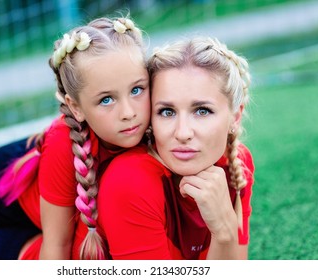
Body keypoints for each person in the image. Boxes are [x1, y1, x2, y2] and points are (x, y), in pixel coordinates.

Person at [0, 15, 150, 260]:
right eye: (106, 99)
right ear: (76, 107)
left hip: (32, 220)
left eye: (136, 90)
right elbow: (57, 247)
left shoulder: (161, 116)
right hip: (1, 194)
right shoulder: (64, 142)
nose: (129, 113)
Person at [88, 36, 255, 259]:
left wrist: (225, 232)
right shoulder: (129, 180)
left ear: (235, 117)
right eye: (167, 112)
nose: (183, 133)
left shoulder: (237, 165)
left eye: (202, 111)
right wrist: (224, 234)